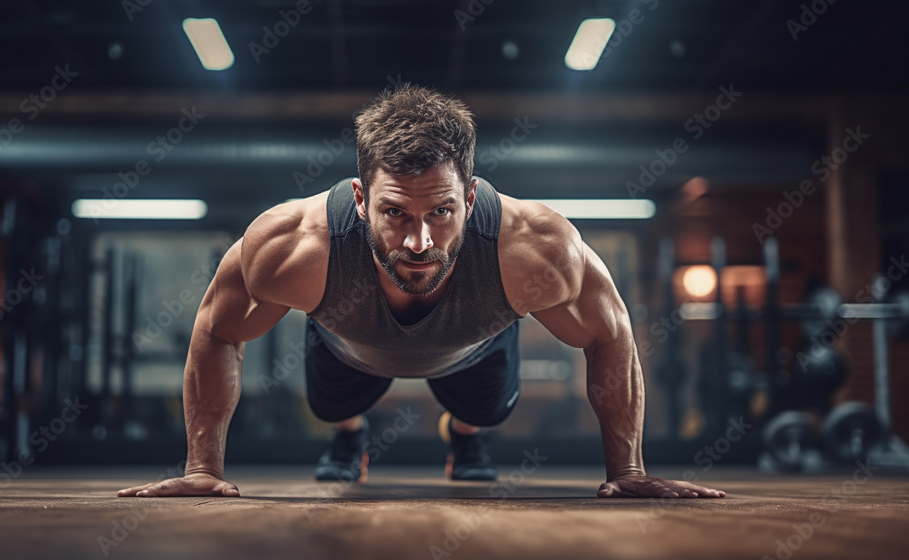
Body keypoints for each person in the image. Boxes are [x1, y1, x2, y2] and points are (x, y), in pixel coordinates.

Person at [118, 85, 726, 500]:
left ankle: (461, 439)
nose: (418, 241)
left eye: (441, 211)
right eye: (394, 214)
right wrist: (202, 469)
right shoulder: (295, 246)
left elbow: (610, 331)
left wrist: (629, 471)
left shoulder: (535, 246)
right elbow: (216, 327)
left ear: (470, 190)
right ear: (359, 198)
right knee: (331, 408)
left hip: (476, 350)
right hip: (346, 346)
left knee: (485, 413)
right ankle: (349, 434)